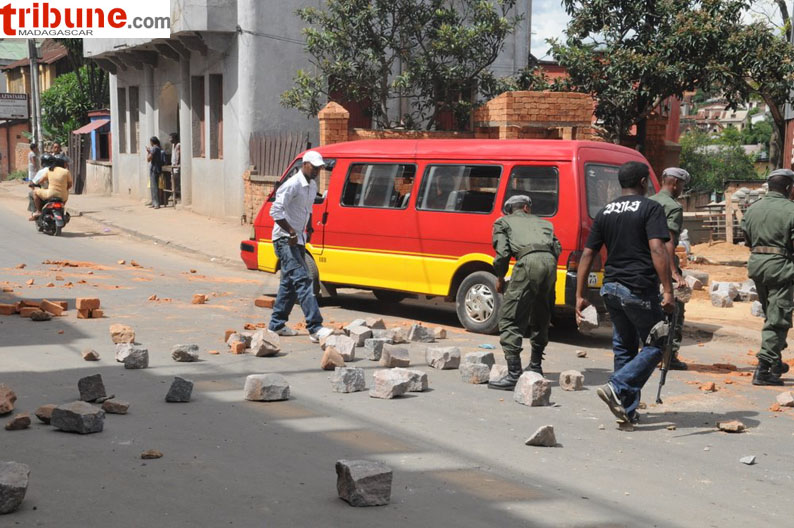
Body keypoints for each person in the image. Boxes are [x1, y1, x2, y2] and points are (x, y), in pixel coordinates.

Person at [575, 161, 674, 425]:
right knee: (658, 344)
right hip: (638, 288)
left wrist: (580, 295)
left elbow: (588, 254)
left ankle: (626, 410)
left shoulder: (605, 212)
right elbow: (657, 249)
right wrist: (668, 290)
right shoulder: (651, 208)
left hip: (611, 289)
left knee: (624, 348)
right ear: (643, 181)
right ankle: (617, 386)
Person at [488, 194, 561, 390]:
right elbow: (557, 248)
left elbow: (502, 254)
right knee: (542, 314)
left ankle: (513, 374)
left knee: (509, 318)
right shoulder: (545, 223)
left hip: (528, 262)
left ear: (510, 210)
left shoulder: (503, 222)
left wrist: (500, 277)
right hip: (550, 264)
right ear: (527, 208)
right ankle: (536, 366)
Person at [267, 150, 333, 343]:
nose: (317, 171)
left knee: (289, 284)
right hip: (284, 239)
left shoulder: (312, 186)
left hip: (299, 239)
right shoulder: (292, 184)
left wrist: (309, 227)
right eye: (314, 167)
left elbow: (308, 209)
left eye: (319, 168)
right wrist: (291, 231)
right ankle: (315, 327)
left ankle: (276, 325)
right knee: (304, 280)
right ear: (304, 164)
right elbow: (275, 211)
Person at [741, 169, 794, 386]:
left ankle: (775, 361)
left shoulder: (753, 209)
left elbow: (746, 239)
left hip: (757, 266)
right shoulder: (791, 209)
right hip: (781, 268)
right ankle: (763, 370)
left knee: (771, 314)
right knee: (778, 319)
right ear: (789, 188)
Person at [648, 167, 690, 370]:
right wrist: (674, 272)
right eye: (682, 185)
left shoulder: (648, 202)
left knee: (650, 308)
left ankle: (649, 352)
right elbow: (669, 242)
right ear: (674, 184)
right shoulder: (673, 207)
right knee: (674, 311)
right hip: (663, 265)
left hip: (645, 265)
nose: (682, 190)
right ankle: (669, 356)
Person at [27, 153, 54, 219]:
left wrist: (32, 184)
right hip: (58, 192)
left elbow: (34, 182)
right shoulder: (57, 170)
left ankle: (37, 211)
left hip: (46, 192)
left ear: (43, 162)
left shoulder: (42, 171)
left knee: (31, 193)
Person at [146, 136, 163, 209]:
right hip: (154, 169)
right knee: (153, 186)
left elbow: (148, 159)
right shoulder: (156, 148)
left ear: (152, 142)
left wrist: (148, 152)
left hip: (154, 169)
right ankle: (154, 202)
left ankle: (156, 203)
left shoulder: (155, 148)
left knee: (154, 186)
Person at [169, 132, 181, 202]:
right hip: (173, 165)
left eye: (171, 138)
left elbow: (179, 154)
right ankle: (174, 195)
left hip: (177, 166)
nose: (169, 139)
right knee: (173, 180)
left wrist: (178, 164)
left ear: (174, 138)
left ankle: (177, 195)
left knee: (176, 181)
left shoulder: (179, 145)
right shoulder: (173, 145)